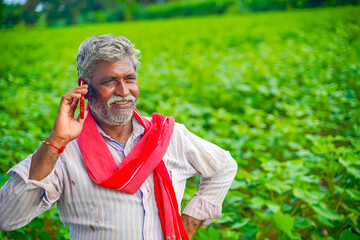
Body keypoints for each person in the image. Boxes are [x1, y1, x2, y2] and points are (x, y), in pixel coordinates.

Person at [0, 34, 237, 240]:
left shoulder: (168, 134)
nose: (124, 92)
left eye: (129, 79)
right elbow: (6, 218)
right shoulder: (64, 152)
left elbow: (224, 166)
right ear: (84, 87)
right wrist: (55, 142)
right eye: (109, 81)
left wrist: (190, 221)